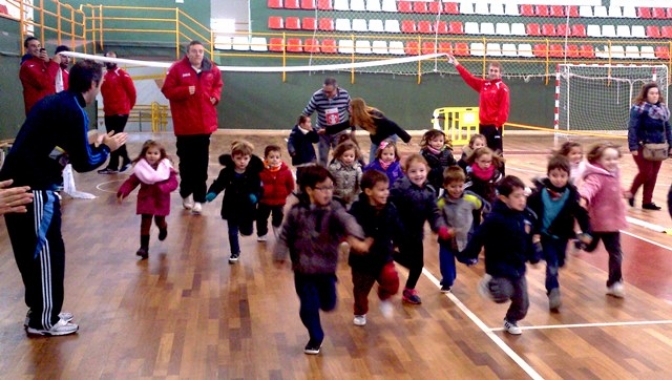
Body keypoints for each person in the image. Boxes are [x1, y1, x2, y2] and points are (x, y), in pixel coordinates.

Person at [1, 59, 127, 336]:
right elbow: (83, 163)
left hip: (25, 182)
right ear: (93, 84)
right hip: (32, 187)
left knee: (34, 252)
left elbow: (64, 150)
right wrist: (107, 148)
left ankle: (43, 309)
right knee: (46, 252)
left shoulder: (59, 103)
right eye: (101, 84)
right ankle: (44, 319)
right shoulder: (72, 110)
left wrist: (92, 145)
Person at [273, 165, 371, 355]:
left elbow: (347, 220)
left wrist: (356, 236)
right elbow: (285, 235)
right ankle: (315, 336)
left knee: (328, 303)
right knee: (308, 306)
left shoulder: (334, 209)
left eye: (330, 187)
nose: (328, 192)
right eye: (323, 188)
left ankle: (321, 303)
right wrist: (280, 254)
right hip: (303, 269)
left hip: (326, 269)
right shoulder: (296, 212)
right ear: (309, 190)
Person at [460, 176, 542, 335]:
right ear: (504, 198)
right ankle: (490, 284)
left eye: (523, 195)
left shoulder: (526, 217)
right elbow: (479, 236)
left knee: (523, 305)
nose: (521, 200)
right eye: (516, 196)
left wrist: (534, 257)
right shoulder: (495, 218)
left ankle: (511, 319)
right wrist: (469, 254)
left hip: (518, 267)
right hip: (498, 267)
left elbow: (529, 240)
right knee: (504, 293)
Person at [162, 40, 223, 214]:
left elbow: (218, 85)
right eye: (194, 51)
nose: (198, 54)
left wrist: (215, 96)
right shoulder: (176, 69)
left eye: (201, 51)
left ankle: (199, 198)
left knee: (201, 164)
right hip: (185, 126)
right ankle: (186, 193)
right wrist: (184, 90)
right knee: (186, 164)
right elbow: (167, 90)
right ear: (188, 53)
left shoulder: (212, 69)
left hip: (204, 126)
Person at [526, 155, 591, 311]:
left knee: (560, 261)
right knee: (552, 265)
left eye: (562, 176)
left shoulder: (571, 195)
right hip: (545, 236)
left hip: (563, 236)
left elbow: (581, 214)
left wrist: (587, 232)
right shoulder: (539, 194)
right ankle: (553, 291)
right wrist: (530, 230)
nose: (558, 179)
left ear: (568, 177)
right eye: (555, 175)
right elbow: (528, 211)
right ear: (548, 175)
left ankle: (551, 263)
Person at [390, 154, 447, 305]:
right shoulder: (400, 188)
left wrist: (439, 227)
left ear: (427, 171)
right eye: (413, 171)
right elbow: (390, 207)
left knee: (418, 265)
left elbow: (434, 212)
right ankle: (387, 252)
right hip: (400, 231)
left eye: (421, 170)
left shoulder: (429, 190)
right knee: (412, 262)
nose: (418, 174)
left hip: (416, 233)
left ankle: (409, 290)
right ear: (406, 172)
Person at [348, 170, 403, 326]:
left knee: (391, 279)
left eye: (387, 189)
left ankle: (384, 297)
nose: (386, 193)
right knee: (360, 289)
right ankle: (360, 312)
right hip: (362, 259)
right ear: (368, 191)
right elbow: (348, 226)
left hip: (382, 254)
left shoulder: (390, 208)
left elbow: (397, 227)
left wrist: (401, 240)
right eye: (381, 189)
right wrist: (357, 241)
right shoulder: (358, 208)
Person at [578, 143, 628, 298]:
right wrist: (584, 198)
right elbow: (588, 188)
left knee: (615, 252)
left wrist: (625, 192)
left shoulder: (615, 172)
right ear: (598, 160)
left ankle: (615, 282)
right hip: (597, 221)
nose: (612, 162)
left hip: (613, 221)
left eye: (614, 158)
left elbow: (617, 186)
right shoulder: (596, 176)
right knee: (589, 248)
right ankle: (580, 241)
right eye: (608, 159)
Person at [117, 140, 178, 259]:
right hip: (146, 198)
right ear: (144, 153)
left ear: (161, 155)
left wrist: (163, 187)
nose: (152, 156)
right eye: (149, 153)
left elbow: (174, 183)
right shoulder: (141, 169)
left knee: (159, 220)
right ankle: (143, 248)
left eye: (155, 153)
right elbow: (132, 181)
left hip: (161, 199)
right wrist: (123, 192)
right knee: (145, 223)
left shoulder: (166, 168)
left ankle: (163, 228)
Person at [206, 140, 264, 264]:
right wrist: (213, 193)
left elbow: (259, 189)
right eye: (238, 158)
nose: (242, 161)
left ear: (249, 159)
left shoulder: (253, 174)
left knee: (247, 231)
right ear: (233, 158)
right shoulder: (226, 172)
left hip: (247, 207)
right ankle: (234, 252)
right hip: (231, 206)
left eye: (245, 158)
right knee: (232, 231)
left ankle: (245, 229)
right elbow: (219, 184)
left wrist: (255, 196)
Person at [448, 56, 510, 159]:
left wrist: (497, 124)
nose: (493, 73)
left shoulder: (503, 88)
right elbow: (469, 78)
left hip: (494, 126)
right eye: (491, 70)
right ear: (488, 71)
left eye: (495, 71)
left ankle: (500, 175)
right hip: (483, 125)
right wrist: (457, 64)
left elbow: (504, 108)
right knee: (482, 154)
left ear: (500, 73)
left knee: (496, 154)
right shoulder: (483, 84)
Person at [436, 166, 485, 292]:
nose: (457, 190)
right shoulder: (441, 202)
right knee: (447, 269)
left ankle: (469, 258)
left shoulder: (470, 198)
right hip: (447, 240)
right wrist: (444, 229)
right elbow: (436, 217)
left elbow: (483, 205)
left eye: (460, 186)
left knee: (465, 257)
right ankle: (446, 282)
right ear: (445, 186)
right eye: (453, 186)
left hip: (465, 237)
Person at [321, 98, 412, 164]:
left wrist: (406, 138)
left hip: (388, 136)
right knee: (372, 161)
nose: (348, 109)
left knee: (385, 158)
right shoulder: (356, 118)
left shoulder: (374, 116)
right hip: (376, 138)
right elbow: (342, 126)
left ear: (356, 109)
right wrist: (326, 130)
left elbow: (393, 125)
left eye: (350, 108)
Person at [627, 82, 672, 211]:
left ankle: (647, 201)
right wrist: (633, 147)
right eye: (652, 93)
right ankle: (631, 193)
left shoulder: (662, 110)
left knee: (654, 175)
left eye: (656, 93)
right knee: (646, 172)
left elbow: (668, 128)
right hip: (643, 146)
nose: (655, 96)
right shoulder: (638, 109)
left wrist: (671, 144)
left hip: (659, 147)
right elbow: (633, 128)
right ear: (646, 95)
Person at [98, 51, 137, 174]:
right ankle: (113, 165)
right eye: (108, 59)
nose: (110, 61)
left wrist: (127, 108)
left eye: (112, 59)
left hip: (121, 112)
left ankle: (126, 160)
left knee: (116, 137)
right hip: (108, 112)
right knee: (111, 138)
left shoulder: (123, 74)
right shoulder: (103, 75)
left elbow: (132, 93)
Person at [302, 77, 352, 166]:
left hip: (339, 132)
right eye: (325, 91)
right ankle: (322, 178)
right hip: (322, 132)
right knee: (322, 158)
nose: (326, 94)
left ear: (336, 87)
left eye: (329, 92)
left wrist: (353, 128)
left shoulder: (344, 94)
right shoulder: (317, 96)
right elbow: (307, 112)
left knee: (341, 156)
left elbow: (351, 110)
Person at [256, 145, 294, 241]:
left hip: (279, 200)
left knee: (278, 216)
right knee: (261, 218)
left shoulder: (286, 171)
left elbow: (290, 185)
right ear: (265, 158)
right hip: (264, 201)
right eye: (271, 157)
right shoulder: (260, 171)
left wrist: (285, 194)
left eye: (277, 157)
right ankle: (262, 233)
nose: (274, 159)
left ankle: (276, 227)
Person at [20, 36, 60, 115]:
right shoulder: (27, 65)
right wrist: (54, 64)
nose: (37, 48)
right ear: (26, 49)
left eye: (38, 46)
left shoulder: (42, 63)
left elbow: (55, 82)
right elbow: (43, 83)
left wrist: (48, 62)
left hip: (48, 107)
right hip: (38, 110)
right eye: (33, 46)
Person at [420, 129, 457, 195]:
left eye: (441, 141)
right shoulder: (425, 153)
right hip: (432, 180)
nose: (438, 143)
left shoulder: (447, 152)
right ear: (429, 141)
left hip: (445, 179)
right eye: (435, 141)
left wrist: (453, 171)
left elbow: (453, 163)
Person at [328, 141, 363, 208]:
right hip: (337, 197)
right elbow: (329, 182)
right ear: (340, 156)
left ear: (355, 156)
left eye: (351, 156)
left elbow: (360, 184)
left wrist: (360, 196)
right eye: (346, 156)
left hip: (351, 199)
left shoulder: (357, 169)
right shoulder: (334, 168)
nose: (348, 158)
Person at [287, 114, 319, 180]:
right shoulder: (295, 133)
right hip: (300, 158)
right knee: (301, 174)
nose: (310, 124)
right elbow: (290, 143)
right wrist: (292, 151)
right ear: (302, 124)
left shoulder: (310, 131)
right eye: (308, 122)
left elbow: (316, 140)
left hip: (310, 156)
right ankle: (300, 186)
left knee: (311, 173)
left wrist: (313, 132)